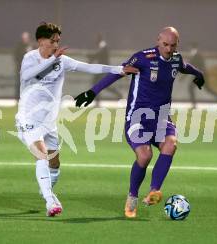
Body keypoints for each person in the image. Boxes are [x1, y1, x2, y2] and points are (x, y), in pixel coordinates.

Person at [74, 27, 204, 218]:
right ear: (158, 41)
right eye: (165, 44)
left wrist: (199, 76)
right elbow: (119, 72)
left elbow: (187, 67)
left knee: (171, 144)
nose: (168, 49)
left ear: (177, 44)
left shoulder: (176, 58)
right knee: (144, 156)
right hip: (137, 117)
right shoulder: (143, 58)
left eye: (172, 45)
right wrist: (93, 91)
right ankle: (132, 196)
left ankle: (154, 191)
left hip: (161, 117)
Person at [15, 22, 138, 217]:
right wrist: (52, 59)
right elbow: (27, 76)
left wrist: (119, 69)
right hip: (28, 119)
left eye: (58, 41)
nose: (56, 44)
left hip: (49, 122)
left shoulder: (62, 61)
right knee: (42, 156)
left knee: (54, 164)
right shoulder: (30, 58)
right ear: (40, 40)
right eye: (52, 40)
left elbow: (89, 67)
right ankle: (50, 201)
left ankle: (46, 188)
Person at [87, 33, 122, 106]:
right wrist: (92, 58)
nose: (95, 41)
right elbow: (99, 55)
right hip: (101, 69)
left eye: (96, 39)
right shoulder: (102, 46)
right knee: (99, 84)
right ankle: (98, 101)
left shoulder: (103, 45)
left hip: (103, 69)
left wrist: (91, 57)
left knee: (99, 84)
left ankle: (119, 95)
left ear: (99, 39)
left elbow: (99, 54)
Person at [186, 42, 217, 107]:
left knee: (191, 88)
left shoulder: (197, 55)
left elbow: (191, 65)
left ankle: (194, 104)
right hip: (201, 74)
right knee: (208, 89)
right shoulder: (197, 55)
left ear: (192, 48)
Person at [14, 31, 36, 100]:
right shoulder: (19, 46)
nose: (25, 39)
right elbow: (16, 56)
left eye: (26, 38)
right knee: (19, 83)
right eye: (24, 38)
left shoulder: (31, 46)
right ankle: (18, 98)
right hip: (21, 69)